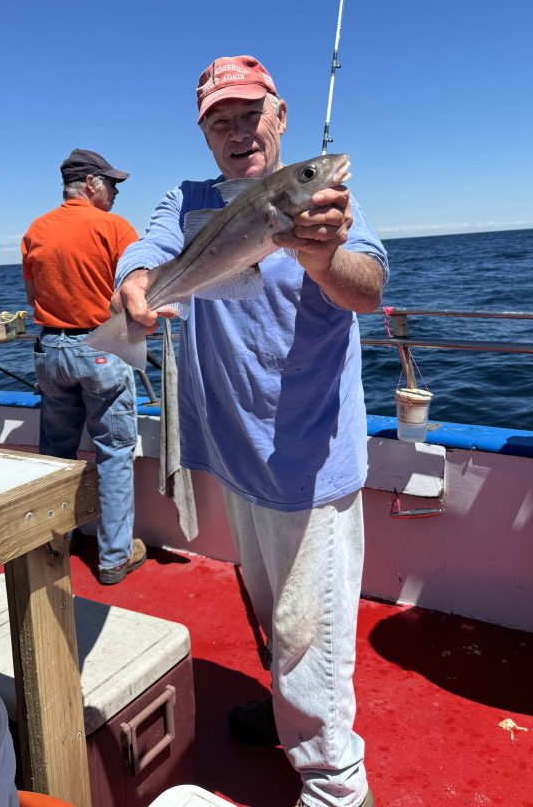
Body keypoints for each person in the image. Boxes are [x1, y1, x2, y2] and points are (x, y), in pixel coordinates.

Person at [113, 56, 387, 807]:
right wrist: (136, 287)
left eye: (249, 114)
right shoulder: (190, 200)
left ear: (281, 115)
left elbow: (369, 287)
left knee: (311, 630)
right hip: (234, 452)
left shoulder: (329, 203)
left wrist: (322, 254)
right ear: (204, 133)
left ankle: (337, 786)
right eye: (219, 121)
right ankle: (285, 712)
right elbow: (147, 249)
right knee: (273, 611)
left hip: (307, 454)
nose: (238, 132)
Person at [22, 148, 146, 585]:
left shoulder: (36, 230)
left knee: (55, 454)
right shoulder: (114, 228)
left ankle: (58, 543)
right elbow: (135, 293)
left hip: (50, 351)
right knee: (112, 452)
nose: (115, 192)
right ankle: (114, 558)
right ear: (91, 184)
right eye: (112, 184)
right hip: (100, 349)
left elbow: (33, 294)